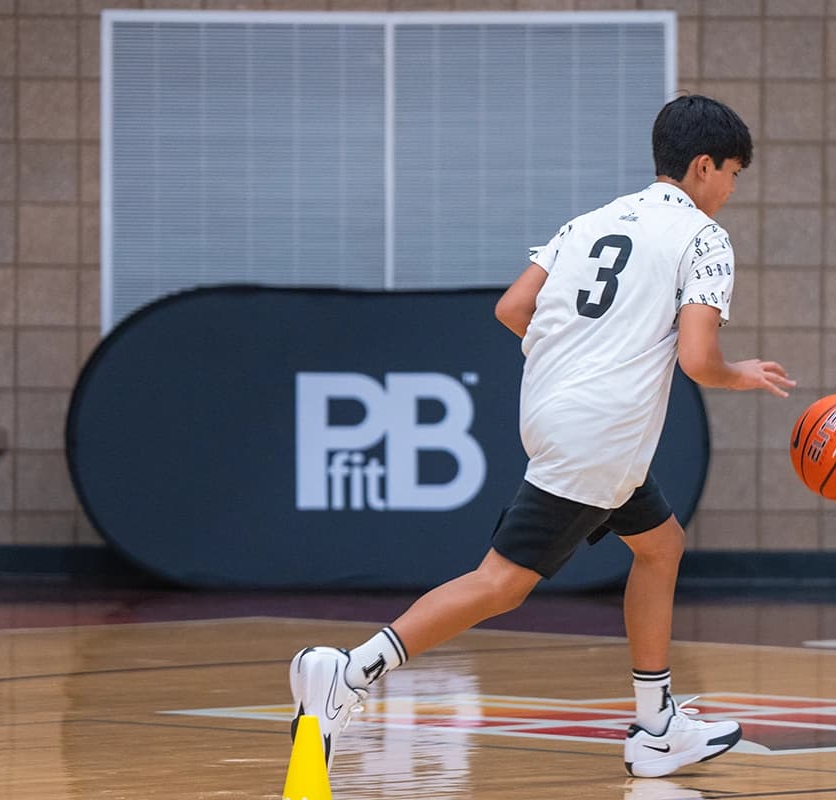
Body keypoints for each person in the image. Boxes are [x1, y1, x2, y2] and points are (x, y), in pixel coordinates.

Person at [288, 94, 794, 779]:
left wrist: (579, 355)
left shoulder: (591, 221)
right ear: (703, 167)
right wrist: (743, 374)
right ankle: (350, 671)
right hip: (604, 433)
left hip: (560, 414)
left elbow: (512, 308)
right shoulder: (704, 238)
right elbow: (698, 360)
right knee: (501, 584)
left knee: (660, 545)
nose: (733, 189)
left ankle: (655, 727)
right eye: (733, 172)